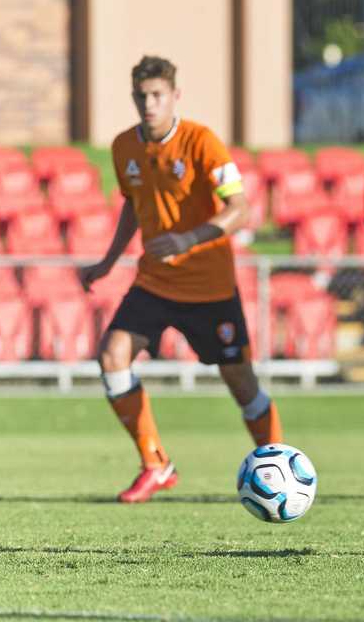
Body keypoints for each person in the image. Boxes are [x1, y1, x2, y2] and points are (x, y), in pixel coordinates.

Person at [78, 55, 280, 503]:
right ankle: (155, 464)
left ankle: (280, 464)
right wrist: (110, 261)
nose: (149, 104)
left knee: (240, 381)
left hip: (210, 287)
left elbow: (240, 208)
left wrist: (189, 239)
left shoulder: (201, 141)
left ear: (175, 97)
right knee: (112, 355)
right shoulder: (123, 147)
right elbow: (133, 205)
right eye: (141, 96)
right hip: (154, 282)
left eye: (157, 95)